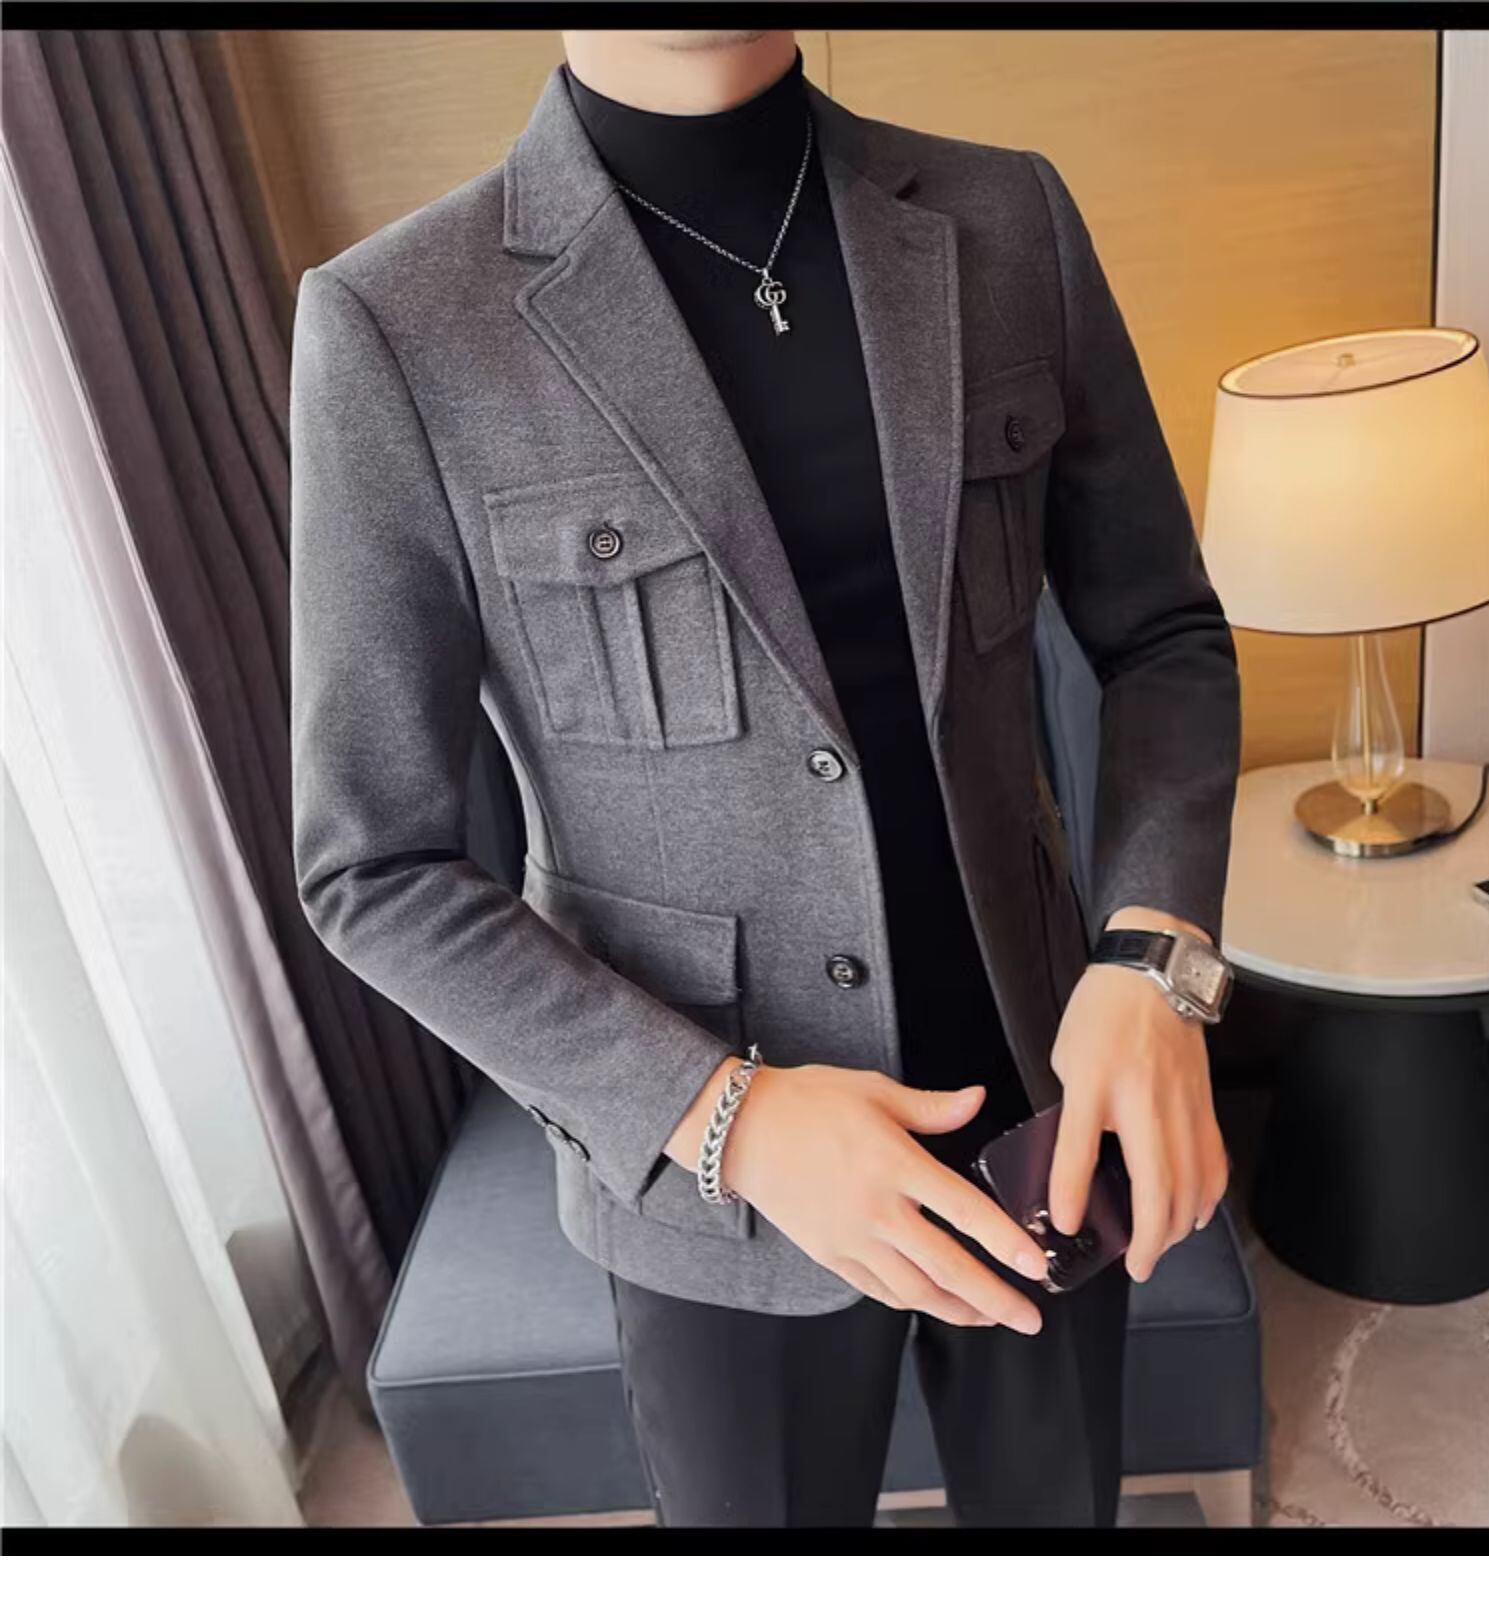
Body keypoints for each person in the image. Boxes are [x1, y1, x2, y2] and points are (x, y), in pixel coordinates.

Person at [288, 28, 1242, 1527]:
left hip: (1049, 1099)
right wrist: (720, 1115)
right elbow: (373, 865)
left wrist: (1157, 958)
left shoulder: (1006, 220)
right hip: (715, 1189)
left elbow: (1164, 637)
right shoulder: (398, 325)